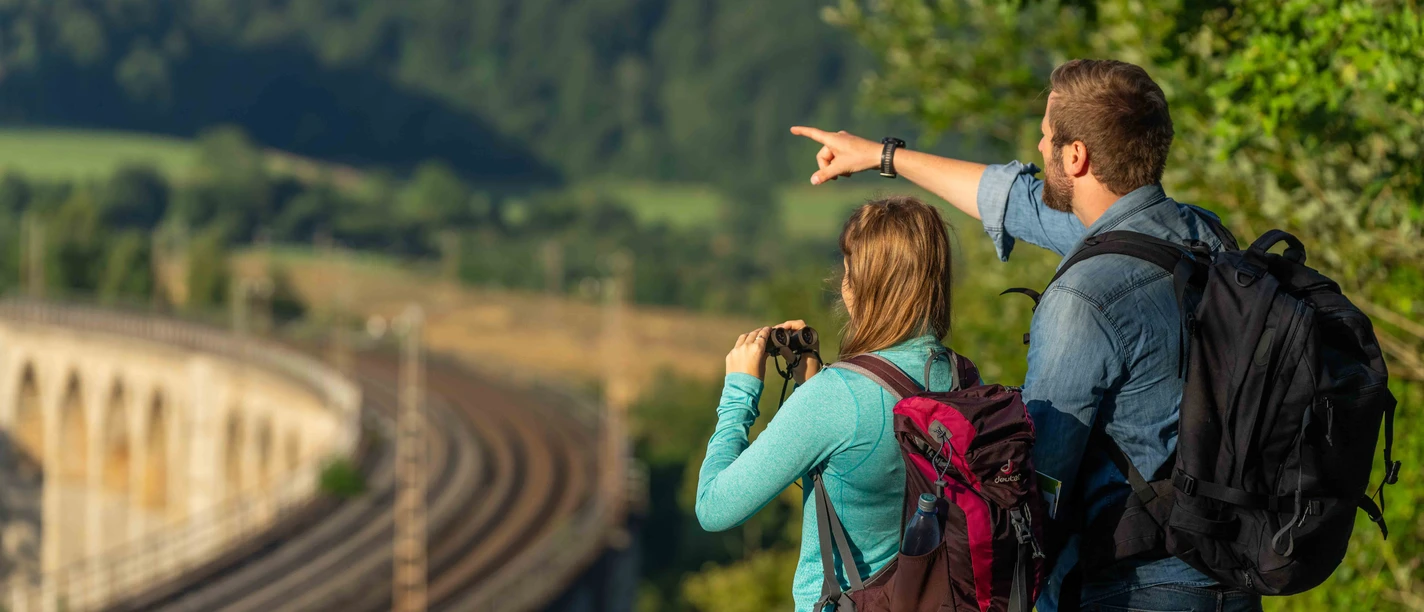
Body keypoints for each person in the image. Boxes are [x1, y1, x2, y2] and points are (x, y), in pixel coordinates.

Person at [791, 59, 1262, 612]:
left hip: (1132, 589)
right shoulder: (1202, 237)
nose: (1039, 147)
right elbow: (1017, 203)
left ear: (1076, 156)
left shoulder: (1083, 297)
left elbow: (1035, 489)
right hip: (1230, 576)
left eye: (1046, 135)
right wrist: (881, 155)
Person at [696, 196, 963, 612]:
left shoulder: (836, 398)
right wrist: (812, 379)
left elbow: (714, 507)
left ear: (863, 286)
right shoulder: (964, 378)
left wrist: (739, 393)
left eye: (848, 270)